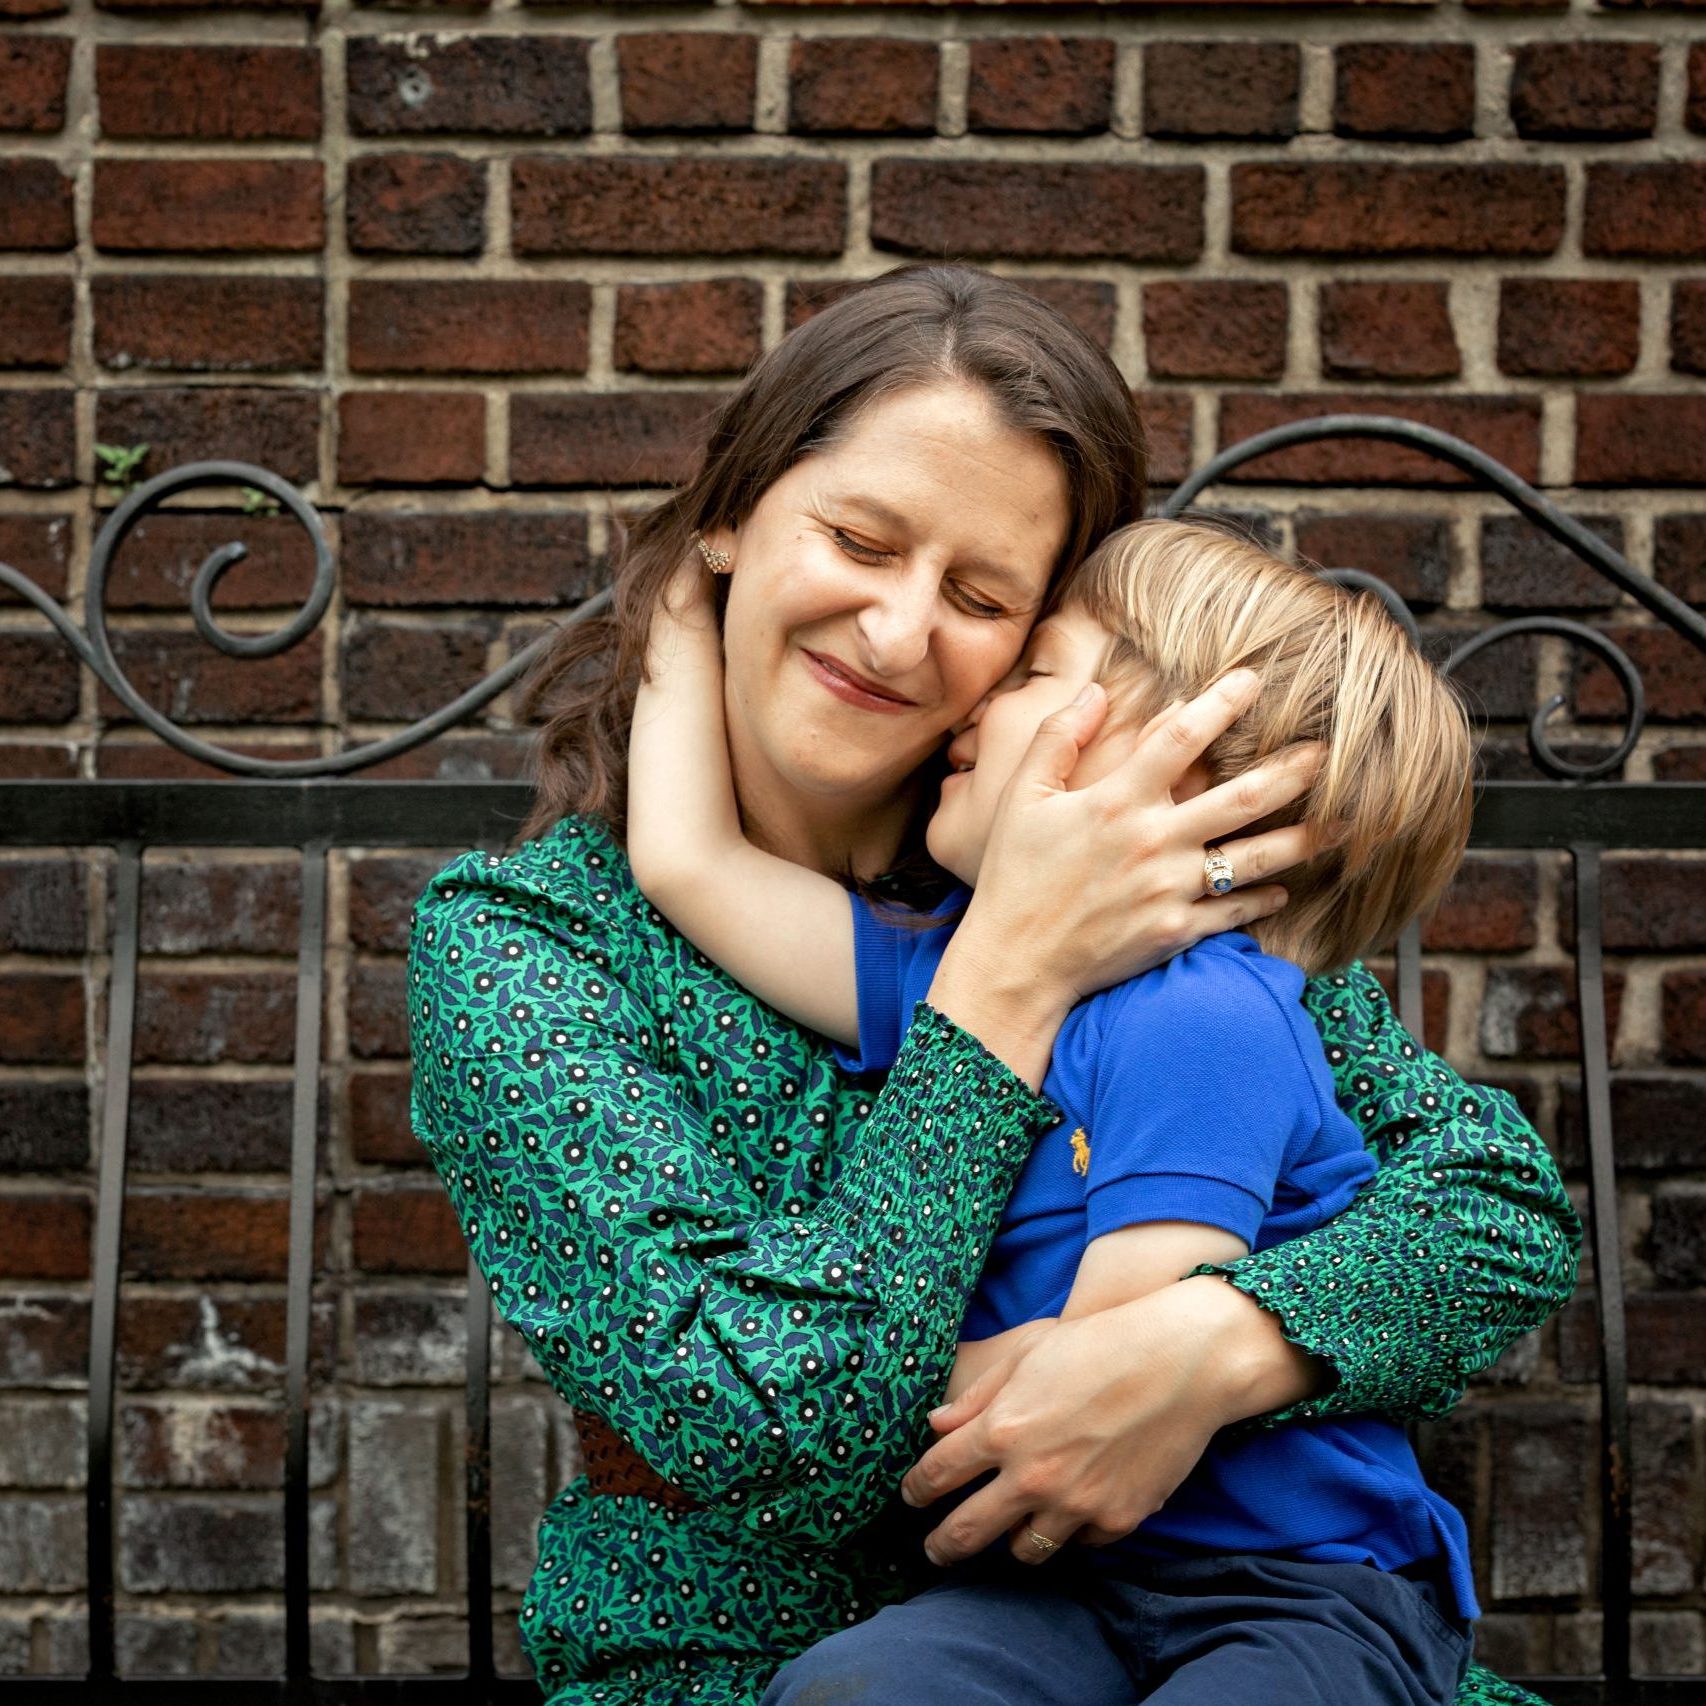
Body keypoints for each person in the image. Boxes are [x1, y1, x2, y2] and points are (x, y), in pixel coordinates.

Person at [406, 264, 1578, 1706]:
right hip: (746, 1656)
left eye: (979, 596)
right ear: (732, 517)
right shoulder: (530, 950)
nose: (899, 632)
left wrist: (1205, 1350)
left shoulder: (1146, 902)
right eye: (855, 536)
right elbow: (779, 1432)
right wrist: (1010, 973)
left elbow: (1492, 1210)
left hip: (1261, 1621)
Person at [626, 514, 1485, 1705]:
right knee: (857, 1689)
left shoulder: (1205, 1016)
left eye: (1034, 673)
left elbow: (1102, 1363)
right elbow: (687, 866)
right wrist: (683, 602)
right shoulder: (969, 971)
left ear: (1179, 777)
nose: (972, 709)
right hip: (1057, 1585)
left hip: (1297, 1583)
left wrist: (871, 1400)